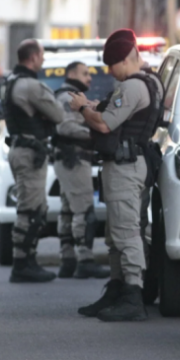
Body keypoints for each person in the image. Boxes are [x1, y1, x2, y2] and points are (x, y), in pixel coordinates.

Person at [69, 29, 164, 322]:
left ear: (126, 59)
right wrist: (96, 106)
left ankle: (133, 295)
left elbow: (105, 126)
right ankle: (117, 288)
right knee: (116, 233)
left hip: (126, 167)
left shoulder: (133, 87)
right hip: (127, 164)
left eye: (113, 65)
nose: (111, 72)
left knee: (127, 233)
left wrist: (83, 107)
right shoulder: (151, 82)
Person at [2, 40, 64, 283]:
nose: (43, 60)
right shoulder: (29, 86)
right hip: (29, 153)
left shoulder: (9, 82)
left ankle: (27, 261)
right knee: (31, 210)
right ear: (34, 57)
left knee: (33, 207)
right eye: (42, 56)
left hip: (21, 149)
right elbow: (58, 114)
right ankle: (22, 264)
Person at [52, 61, 110, 280]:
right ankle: (84, 260)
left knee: (68, 210)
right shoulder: (68, 98)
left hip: (69, 159)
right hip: (74, 159)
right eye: (85, 74)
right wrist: (94, 133)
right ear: (72, 74)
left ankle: (67, 260)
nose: (89, 78)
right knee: (83, 210)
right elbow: (65, 127)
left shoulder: (69, 96)